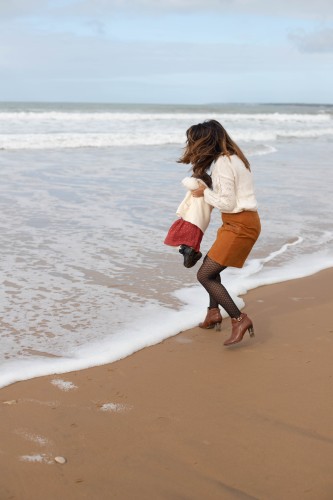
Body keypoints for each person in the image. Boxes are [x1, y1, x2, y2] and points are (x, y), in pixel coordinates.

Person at [178, 119, 261, 346]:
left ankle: (239, 319)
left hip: (240, 225)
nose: (191, 146)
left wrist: (202, 193)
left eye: (194, 141)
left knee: (204, 275)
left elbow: (226, 202)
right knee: (210, 267)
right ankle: (213, 313)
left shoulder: (224, 162)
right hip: (239, 222)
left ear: (206, 141)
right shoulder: (235, 157)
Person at [164, 174, 213, 268]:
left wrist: (195, 179)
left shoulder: (200, 188)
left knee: (172, 236)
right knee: (189, 242)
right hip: (198, 224)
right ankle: (191, 252)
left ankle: (188, 251)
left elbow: (187, 182)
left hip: (192, 220)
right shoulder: (208, 195)